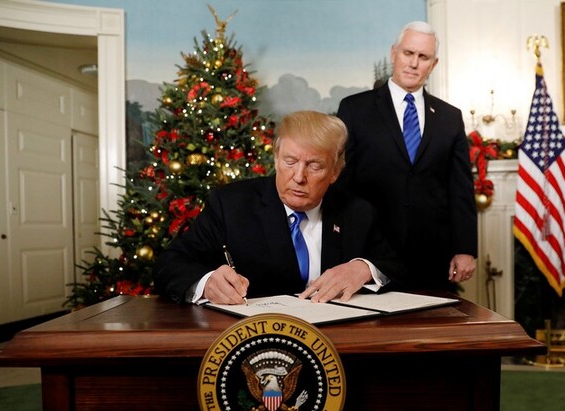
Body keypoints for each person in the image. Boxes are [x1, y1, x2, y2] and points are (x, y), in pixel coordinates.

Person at [154, 110, 407, 305]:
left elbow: (398, 268)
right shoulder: (231, 205)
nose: (299, 177)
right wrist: (207, 283)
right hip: (251, 337)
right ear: (276, 158)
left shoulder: (357, 212)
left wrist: (362, 269)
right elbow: (170, 264)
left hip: (335, 342)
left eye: (314, 166)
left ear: (335, 172)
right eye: (290, 161)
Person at [336, 21, 477, 293]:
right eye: (408, 53)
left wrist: (465, 248)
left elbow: (460, 189)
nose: (414, 63)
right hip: (369, 254)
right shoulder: (355, 109)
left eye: (423, 57)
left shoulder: (450, 117)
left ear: (433, 64)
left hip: (433, 259)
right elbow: (341, 182)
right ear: (393, 53)